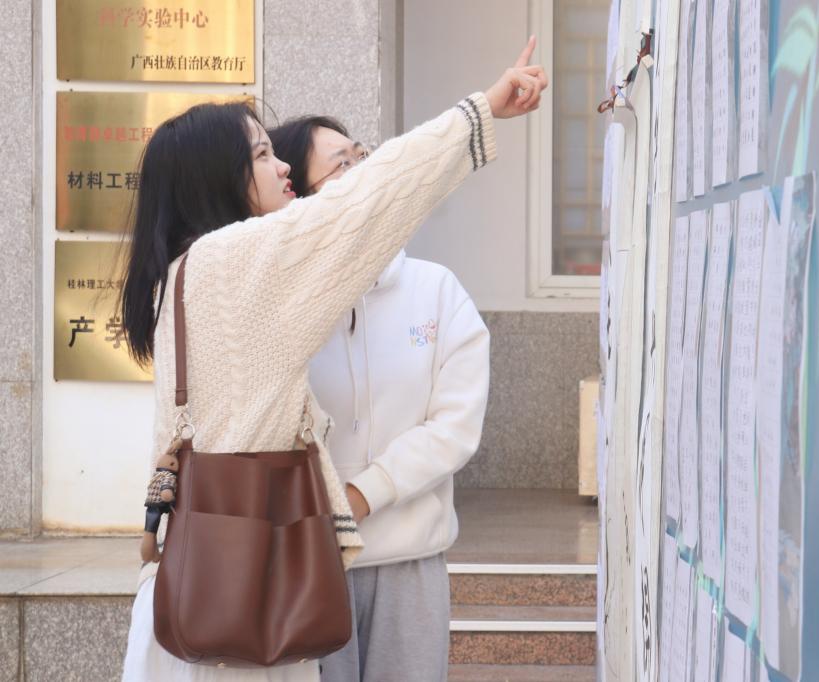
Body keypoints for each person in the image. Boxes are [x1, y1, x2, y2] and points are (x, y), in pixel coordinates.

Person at [119, 38, 547, 681]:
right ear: (217, 179)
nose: (282, 168)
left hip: (195, 592)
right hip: (246, 601)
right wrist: (481, 110)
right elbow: (367, 198)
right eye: (262, 155)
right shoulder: (235, 262)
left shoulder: (181, 273)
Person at [268, 114, 489, 681]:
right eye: (340, 165)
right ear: (302, 196)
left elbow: (454, 427)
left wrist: (362, 495)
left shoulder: (437, 291)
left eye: (362, 155)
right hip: (309, 560)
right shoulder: (282, 302)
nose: (364, 170)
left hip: (410, 563)